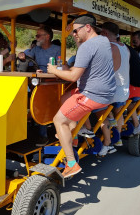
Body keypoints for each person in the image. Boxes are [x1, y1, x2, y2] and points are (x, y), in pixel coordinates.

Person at [48, 14, 116, 178]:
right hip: (106, 93)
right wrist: (77, 35)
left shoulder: (87, 47)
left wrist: (54, 70)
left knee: (58, 120)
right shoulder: (103, 41)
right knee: (65, 98)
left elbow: (72, 77)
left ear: (87, 28)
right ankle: (74, 136)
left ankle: (71, 163)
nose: (73, 34)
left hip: (93, 95)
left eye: (75, 31)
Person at [98, 22, 130, 151]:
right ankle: (119, 139)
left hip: (113, 92)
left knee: (97, 110)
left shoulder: (109, 47)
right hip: (124, 91)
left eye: (100, 33)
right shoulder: (125, 47)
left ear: (105, 33)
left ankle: (107, 142)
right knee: (119, 111)